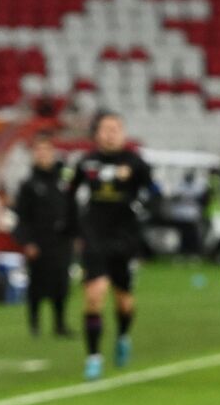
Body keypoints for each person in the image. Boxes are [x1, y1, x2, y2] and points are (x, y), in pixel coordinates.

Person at [71, 111, 153, 380]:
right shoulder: (86, 163)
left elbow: (153, 190)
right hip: (95, 237)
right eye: (105, 128)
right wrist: (72, 226)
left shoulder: (135, 162)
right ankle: (93, 356)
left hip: (124, 239)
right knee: (94, 296)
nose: (110, 133)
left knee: (124, 302)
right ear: (97, 134)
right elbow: (69, 193)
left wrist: (137, 197)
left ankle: (123, 335)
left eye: (116, 128)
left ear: (123, 133)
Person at [12, 132, 75, 337]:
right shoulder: (28, 184)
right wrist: (27, 241)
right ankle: (35, 324)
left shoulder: (64, 180)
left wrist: (76, 233)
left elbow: (73, 208)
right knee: (37, 284)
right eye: (38, 150)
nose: (43, 155)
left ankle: (60, 323)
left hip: (61, 240)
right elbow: (21, 217)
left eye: (46, 150)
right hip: (39, 241)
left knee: (61, 283)